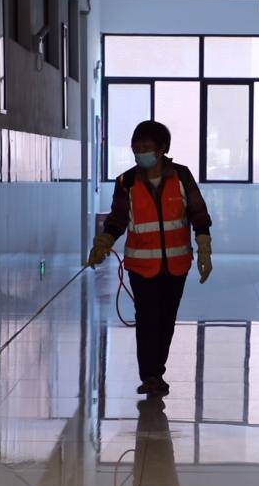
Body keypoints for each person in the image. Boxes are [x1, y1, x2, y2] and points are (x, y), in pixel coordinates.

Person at [87, 120, 213, 396]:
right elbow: (118, 219)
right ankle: (150, 376)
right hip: (141, 265)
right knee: (146, 319)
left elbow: (198, 213)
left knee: (166, 319)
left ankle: (156, 371)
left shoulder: (181, 176)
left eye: (145, 147)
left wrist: (204, 248)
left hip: (176, 264)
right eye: (136, 148)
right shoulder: (127, 182)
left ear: (162, 148)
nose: (140, 152)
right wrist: (103, 242)